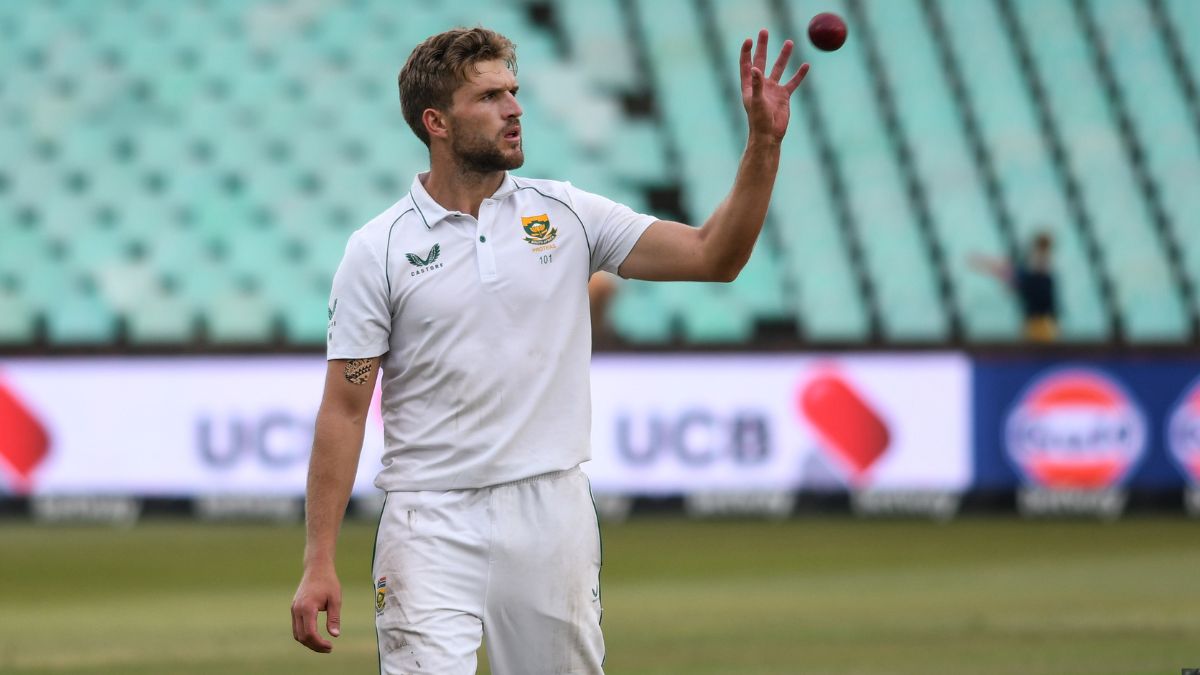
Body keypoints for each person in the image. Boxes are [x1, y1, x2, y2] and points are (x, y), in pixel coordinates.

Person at [290, 26, 808, 674]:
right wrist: (318, 559)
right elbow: (344, 409)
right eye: (489, 97)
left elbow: (714, 256)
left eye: (513, 91)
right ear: (436, 122)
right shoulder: (379, 249)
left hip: (551, 512)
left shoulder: (567, 214)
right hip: (428, 521)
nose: (514, 108)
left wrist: (763, 145)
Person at [971, 230, 1058, 342]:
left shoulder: (1040, 274)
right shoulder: (1031, 274)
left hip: (1042, 323)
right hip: (1034, 322)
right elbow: (1008, 274)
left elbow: (1008, 272)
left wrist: (985, 263)